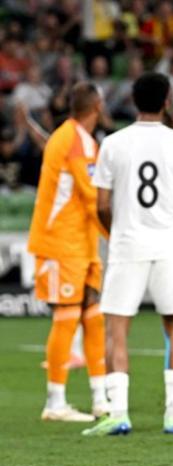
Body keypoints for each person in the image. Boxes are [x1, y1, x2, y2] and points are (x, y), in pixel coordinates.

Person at [82, 72, 173, 436]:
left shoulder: (112, 143)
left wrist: (116, 231)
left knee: (117, 330)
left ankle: (118, 414)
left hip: (127, 245)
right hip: (168, 245)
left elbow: (101, 205)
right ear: (167, 101)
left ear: (133, 101)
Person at [27, 82, 109, 423]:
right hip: (61, 243)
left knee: (93, 316)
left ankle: (100, 398)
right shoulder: (76, 140)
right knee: (66, 316)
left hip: (81, 244)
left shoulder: (75, 138)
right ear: (97, 107)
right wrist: (117, 236)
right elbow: (92, 198)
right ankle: (55, 402)